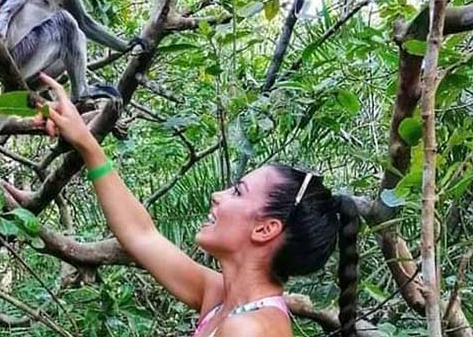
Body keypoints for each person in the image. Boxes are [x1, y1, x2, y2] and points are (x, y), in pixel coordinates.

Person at [35, 73, 360, 337]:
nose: (218, 194)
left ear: (265, 228)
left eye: (237, 192)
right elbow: (140, 235)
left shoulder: (248, 330)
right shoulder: (223, 299)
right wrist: (87, 143)